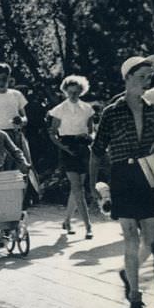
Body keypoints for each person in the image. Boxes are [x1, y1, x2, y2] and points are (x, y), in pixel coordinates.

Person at [90, 55, 154, 308]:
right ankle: (135, 297)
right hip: (123, 175)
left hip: (147, 175)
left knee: (150, 237)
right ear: (128, 77)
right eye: (141, 77)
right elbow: (96, 151)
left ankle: (127, 278)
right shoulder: (112, 112)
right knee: (130, 235)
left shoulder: (153, 111)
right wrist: (92, 186)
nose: (146, 82)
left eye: (149, 78)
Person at [47, 75, 95, 239]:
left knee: (78, 188)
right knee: (78, 189)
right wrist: (64, 148)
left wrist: (89, 138)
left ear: (81, 91)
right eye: (70, 91)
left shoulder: (87, 108)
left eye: (76, 92)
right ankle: (88, 226)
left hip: (83, 148)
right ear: (65, 91)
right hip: (67, 147)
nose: (73, 94)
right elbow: (52, 134)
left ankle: (67, 220)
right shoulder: (59, 109)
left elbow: (91, 130)